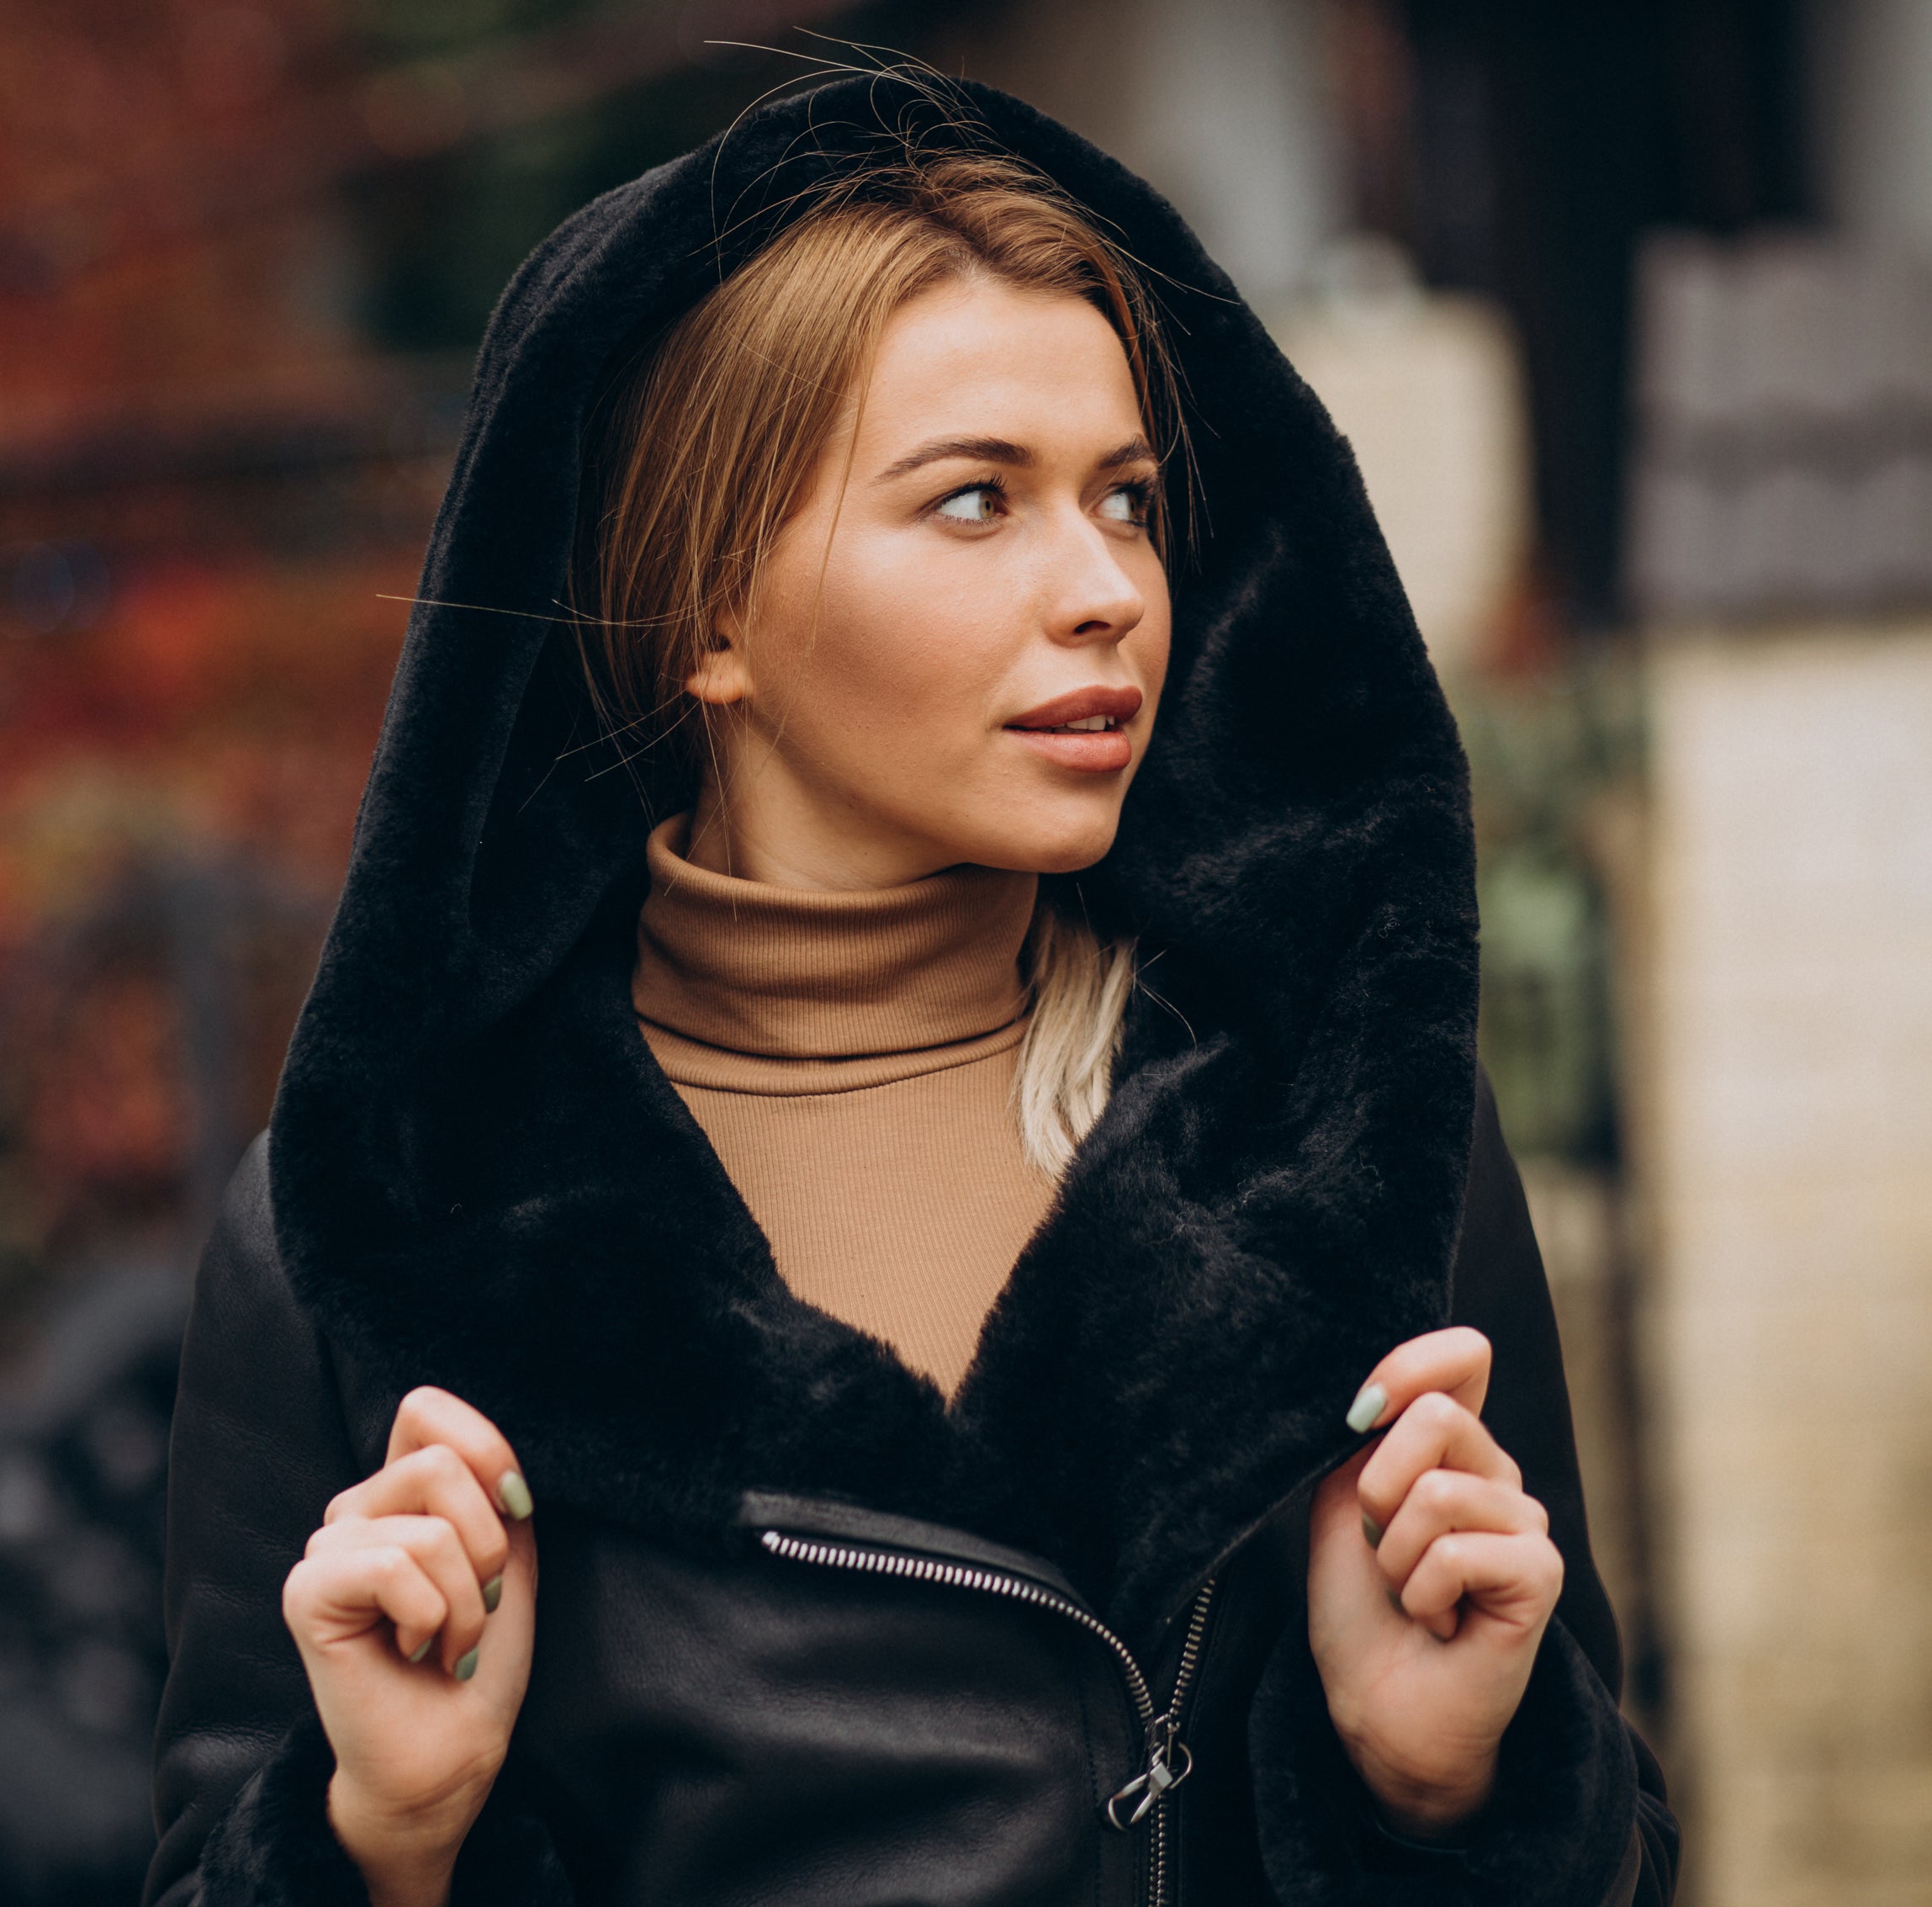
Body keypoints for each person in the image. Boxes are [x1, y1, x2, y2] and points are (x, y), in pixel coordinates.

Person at [145, 71, 1675, 1907]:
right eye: (974, 503)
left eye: (1125, 499)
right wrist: (375, 1846)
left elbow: (1617, 1863)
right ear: (707, 615)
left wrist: (1444, 1793)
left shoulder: (1336, 1136)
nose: (1104, 585)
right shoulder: (391, 1235)